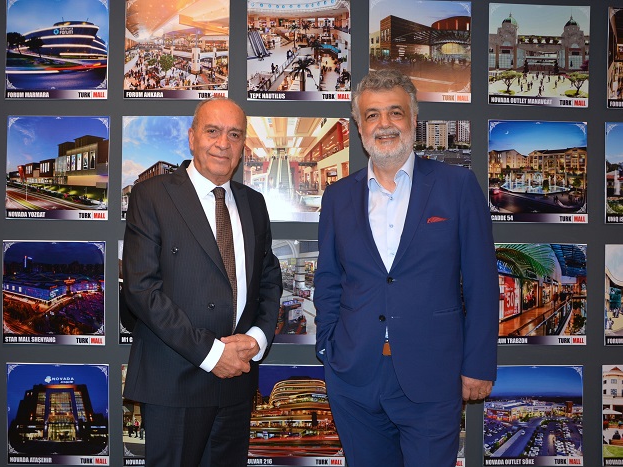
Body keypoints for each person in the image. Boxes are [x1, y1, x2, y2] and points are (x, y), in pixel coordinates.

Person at [313, 69, 499, 467]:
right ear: (359, 126)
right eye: (372, 115)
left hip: (432, 373)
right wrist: (328, 347)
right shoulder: (337, 197)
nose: (384, 124)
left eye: (395, 112)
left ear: (414, 119)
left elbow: (482, 283)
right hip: (353, 375)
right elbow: (328, 279)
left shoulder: (457, 186)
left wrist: (478, 364)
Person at [122, 98, 283, 467]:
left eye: (234, 135)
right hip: (174, 381)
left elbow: (269, 279)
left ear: (243, 146)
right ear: (192, 137)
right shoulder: (152, 195)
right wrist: (213, 355)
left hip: (237, 382)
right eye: (213, 131)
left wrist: (257, 339)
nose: (223, 143)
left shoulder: (254, 203)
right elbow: (142, 289)